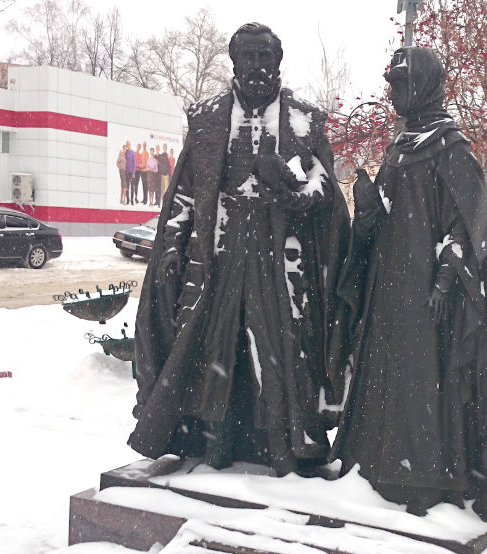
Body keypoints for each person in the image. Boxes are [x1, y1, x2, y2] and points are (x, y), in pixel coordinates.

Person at [129, 23, 351, 477]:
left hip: (278, 256)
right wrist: (172, 246)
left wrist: (295, 194)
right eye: (247, 56)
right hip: (220, 252)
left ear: (278, 61)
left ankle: (287, 444)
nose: (256, 66)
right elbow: (185, 193)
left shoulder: (304, 119)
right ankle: (215, 441)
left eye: (264, 56)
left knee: (280, 348)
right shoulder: (208, 117)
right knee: (217, 345)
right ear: (234, 61)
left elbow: (325, 187)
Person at [334, 47, 487, 517]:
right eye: (391, 85)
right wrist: (368, 204)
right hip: (388, 289)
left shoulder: (451, 149)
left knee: (423, 384)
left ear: (425, 86)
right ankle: (375, 463)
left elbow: (468, 226)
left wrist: (446, 280)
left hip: (426, 294)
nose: (393, 94)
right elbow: (383, 222)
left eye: (401, 84)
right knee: (385, 377)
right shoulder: (399, 147)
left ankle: (426, 475)